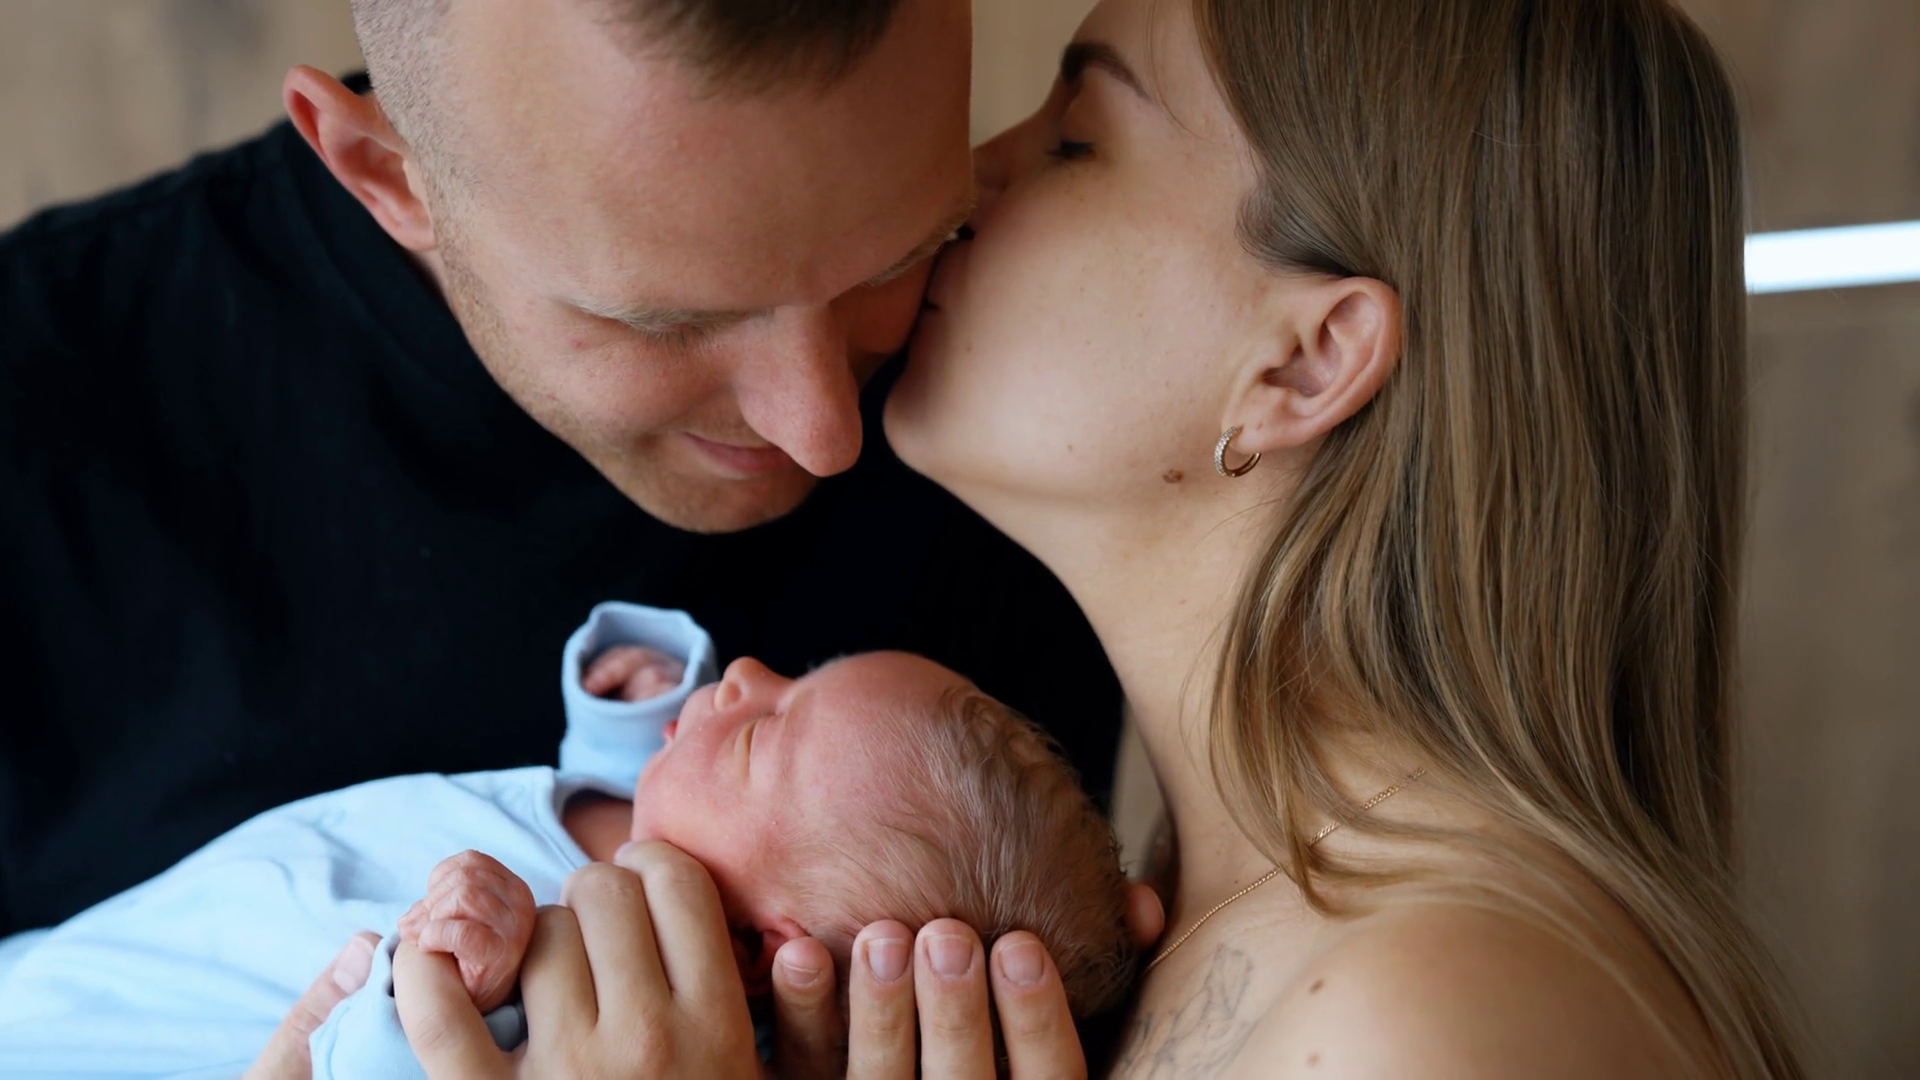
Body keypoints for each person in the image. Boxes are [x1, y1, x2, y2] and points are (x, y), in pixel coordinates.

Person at [392, 0, 1814, 1075]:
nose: (961, 183)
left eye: (1077, 140)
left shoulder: (1429, 1021)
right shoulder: (1196, 922)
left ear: (1306, 361)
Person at [0, 0, 1120, 967]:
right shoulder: (38, 412)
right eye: (668, 321)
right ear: (385, 176)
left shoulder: (1056, 395)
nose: (825, 432)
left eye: (900, 257)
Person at [0, 604, 1137, 1077]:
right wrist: (636, 717)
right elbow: (612, 804)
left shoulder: (594, 1009)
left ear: (752, 954)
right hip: (67, 956)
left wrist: (434, 978)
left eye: (765, 730)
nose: (745, 671)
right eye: (797, 674)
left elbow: (382, 1063)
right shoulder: (663, 836)